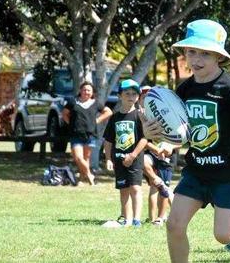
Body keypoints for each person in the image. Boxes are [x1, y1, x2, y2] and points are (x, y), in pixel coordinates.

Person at [143, 19, 230, 263]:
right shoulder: (184, 90)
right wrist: (159, 136)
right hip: (197, 170)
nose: (197, 59)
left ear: (219, 57)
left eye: (205, 53)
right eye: (192, 52)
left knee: (224, 235)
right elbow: (179, 130)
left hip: (229, 172)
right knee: (174, 225)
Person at [103, 79, 148, 227]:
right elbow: (108, 140)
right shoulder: (114, 117)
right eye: (127, 93)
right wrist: (108, 159)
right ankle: (126, 219)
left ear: (138, 97)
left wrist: (133, 155)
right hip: (118, 159)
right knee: (123, 190)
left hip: (135, 159)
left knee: (135, 188)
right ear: (120, 96)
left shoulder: (139, 115)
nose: (131, 96)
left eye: (134, 94)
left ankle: (136, 219)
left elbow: (144, 139)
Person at [137, 85, 177, 225]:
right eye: (143, 96)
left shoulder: (168, 114)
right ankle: (152, 217)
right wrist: (155, 149)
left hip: (167, 155)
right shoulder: (138, 115)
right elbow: (141, 140)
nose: (146, 99)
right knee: (152, 178)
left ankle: (160, 217)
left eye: (149, 96)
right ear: (139, 98)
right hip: (152, 153)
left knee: (160, 188)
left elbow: (181, 139)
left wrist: (170, 147)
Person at [62, 81, 112, 185]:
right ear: (80, 91)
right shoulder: (73, 102)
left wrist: (97, 121)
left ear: (92, 92)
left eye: (89, 90)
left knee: (86, 158)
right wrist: (71, 124)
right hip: (76, 134)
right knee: (78, 157)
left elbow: (109, 112)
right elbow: (65, 114)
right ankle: (89, 175)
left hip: (90, 135)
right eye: (84, 89)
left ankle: (81, 178)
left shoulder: (96, 103)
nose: (86, 92)